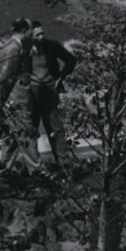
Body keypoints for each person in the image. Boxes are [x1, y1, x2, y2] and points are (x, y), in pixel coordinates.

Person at [27, 20, 77, 169]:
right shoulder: (24, 50)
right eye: (37, 35)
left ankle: (65, 167)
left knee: (56, 129)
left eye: (42, 33)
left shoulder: (52, 45)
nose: (41, 37)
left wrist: (61, 77)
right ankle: (36, 170)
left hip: (50, 92)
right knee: (31, 129)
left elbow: (71, 60)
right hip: (31, 94)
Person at [0, 17, 39, 169]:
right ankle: (36, 169)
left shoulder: (12, 45)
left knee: (11, 134)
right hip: (15, 97)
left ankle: (5, 170)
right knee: (25, 131)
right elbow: (6, 77)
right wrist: (2, 98)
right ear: (24, 31)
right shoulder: (14, 48)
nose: (32, 33)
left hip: (11, 96)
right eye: (30, 30)